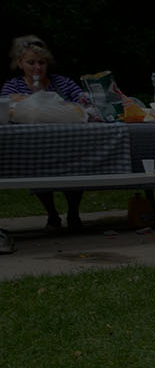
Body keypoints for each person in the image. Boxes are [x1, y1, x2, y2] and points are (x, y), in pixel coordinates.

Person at [4, 35, 86, 232]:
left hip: (68, 140)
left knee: (76, 167)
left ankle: (73, 213)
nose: (37, 68)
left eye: (42, 63)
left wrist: (75, 102)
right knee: (37, 168)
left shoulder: (62, 83)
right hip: (34, 144)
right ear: (20, 63)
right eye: (31, 63)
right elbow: (6, 108)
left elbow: (83, 101)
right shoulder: (13, 86)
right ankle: (52, 213)